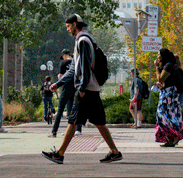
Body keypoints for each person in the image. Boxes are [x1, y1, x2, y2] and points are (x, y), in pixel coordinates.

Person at [42, 14, 123, 164]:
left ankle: (59, 154)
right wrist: (58, 83)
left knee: (73, 121)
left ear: (74, 24)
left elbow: (85, 66)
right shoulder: (82, 40)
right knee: (98, 122)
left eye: (67, 26)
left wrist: (82, 87)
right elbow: (74, 68)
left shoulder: (83, 41)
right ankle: (115, 152)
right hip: (90, 88)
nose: (67, 29)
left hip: (85, 89)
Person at [153, 48, 183, 147]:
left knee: (165, 115)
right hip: (166, 93)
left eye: (159, 54)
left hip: (170, 95)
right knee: (166, 116)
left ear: (163, 55)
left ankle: (175, 136)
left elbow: (161, 78)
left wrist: (156, 67)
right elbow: (165, 81)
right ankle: (171, 138)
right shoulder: (167, 65)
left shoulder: (169, 66)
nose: (157, 56)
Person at [50, 49, 76, 138]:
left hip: (66, 88)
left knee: (60, 110)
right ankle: (72, 131)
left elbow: (61, 77)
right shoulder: (74, 62)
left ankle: (54, 131)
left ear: (64, 55)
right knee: (72, 111)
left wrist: (57, 83)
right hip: (74, 88)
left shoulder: (63, 63)